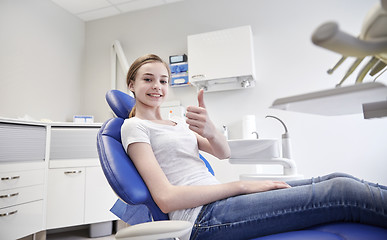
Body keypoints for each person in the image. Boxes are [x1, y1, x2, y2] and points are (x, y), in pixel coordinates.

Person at [121, 54, 387, 240]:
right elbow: (166, 199)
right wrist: (242, 185)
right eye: (148, 79)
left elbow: (223, 153)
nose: (157, 86)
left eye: (163, 80)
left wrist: (211, 129)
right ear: (131, 85)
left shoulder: (176, 122)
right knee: (341, 191)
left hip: (221, 201)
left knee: (337, 178)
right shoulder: (134, 127)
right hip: (204, 218)